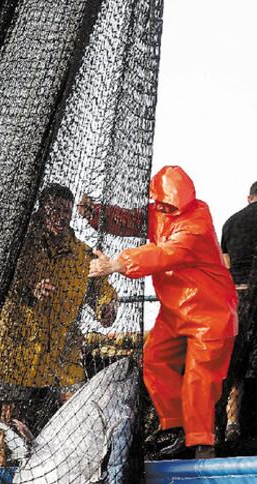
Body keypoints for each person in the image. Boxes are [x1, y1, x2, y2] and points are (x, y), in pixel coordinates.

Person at [79, 166, 238, 459]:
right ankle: (175, 428)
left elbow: (166, 253)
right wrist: (95, 213)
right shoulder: (158, 213)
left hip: (210, 313)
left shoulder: (197, 224)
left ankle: (202, 445)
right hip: (175, 310)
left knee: (199, 379)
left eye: (167, 205)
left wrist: (116, 264)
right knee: (154, 358)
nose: (162, 209)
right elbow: (131, 221)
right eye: (159, 203)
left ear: (185, 201)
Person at [0, 183, 118, 465]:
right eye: (55, 210)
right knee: (11, 415)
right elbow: (1, 285)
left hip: (64, 346)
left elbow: (102, 290)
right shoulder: (20, 245)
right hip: (20, 344)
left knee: (75, 408)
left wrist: (106, 307)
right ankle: (2, 466)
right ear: (41, 209)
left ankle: (76, 463)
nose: (62, 217)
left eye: (67, 211)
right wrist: (31, 291)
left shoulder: (81, 254)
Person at [221, 181, 257, 441]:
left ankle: (229, 424)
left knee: (232, 366)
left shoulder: (231, 222)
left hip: (234, 298)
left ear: (249, 198)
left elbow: (225, 264)